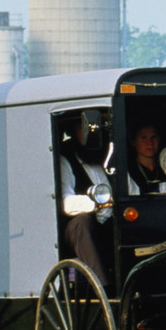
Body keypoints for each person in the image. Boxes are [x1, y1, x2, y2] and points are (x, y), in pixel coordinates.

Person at [58, 113, 114, 289]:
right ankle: (103, 288)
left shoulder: (105, 159)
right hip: (76, 230)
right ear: (74, 132)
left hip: (108, 222)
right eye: (84, 129)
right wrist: (96, 204)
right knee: (82, 222)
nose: (91, 135)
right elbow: (65, 202)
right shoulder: (64, 159)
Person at [129, 122, 166, 194]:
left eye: (153, 137)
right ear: (133, 142)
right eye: (144, 138)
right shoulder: (128, 171)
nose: (150, 142)